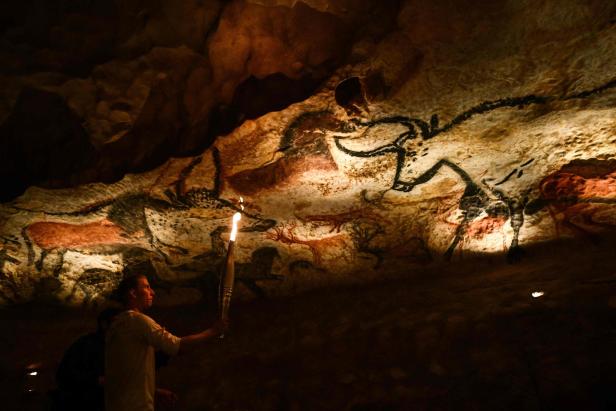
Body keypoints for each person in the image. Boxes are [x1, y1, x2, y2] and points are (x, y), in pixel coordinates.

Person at [105, 274, 227, 411]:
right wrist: (213, 331)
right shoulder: (138, 321)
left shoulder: (116, 325)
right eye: (146, 287)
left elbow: (125, 374)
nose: (152, 292)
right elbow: (178, 346)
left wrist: (154, 391)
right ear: (133, 293)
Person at [52, 307, 120, 411]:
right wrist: (97, 380)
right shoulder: (86, 345)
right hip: (86, 402)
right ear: (104, 324)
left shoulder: (120, 347)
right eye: (118, 323)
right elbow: (65, 374)